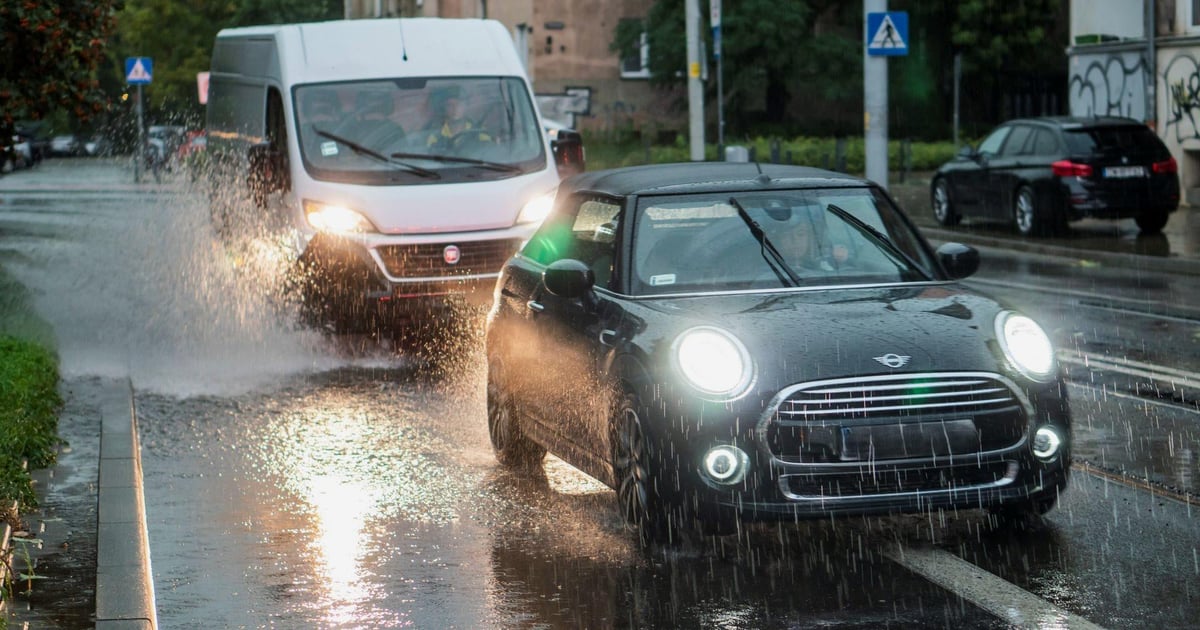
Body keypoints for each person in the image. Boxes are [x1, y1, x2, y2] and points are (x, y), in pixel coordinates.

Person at [424, 85, 490, 149]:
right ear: (444, 108)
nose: (455, 108)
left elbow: (489, 155)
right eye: (450, 105)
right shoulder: (435, 136)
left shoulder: (479, 132)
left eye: (459, 104)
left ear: (466, 106)